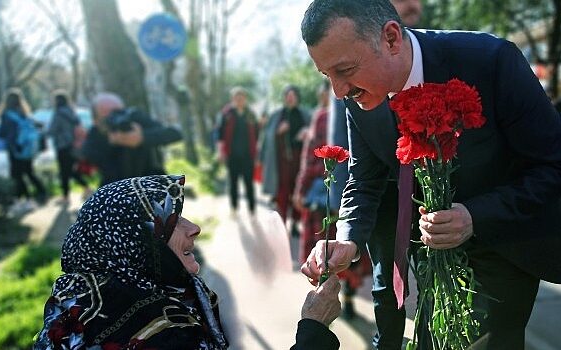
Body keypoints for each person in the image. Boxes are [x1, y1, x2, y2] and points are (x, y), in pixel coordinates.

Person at [300, 1, 561, 348]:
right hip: (430, 264)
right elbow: (364, 177)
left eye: (344, 70)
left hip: (503, 249)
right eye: (327, 76)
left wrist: (474, 216)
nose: (338, 91)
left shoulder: (491, 61)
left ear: (390, 38)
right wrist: (348, 238)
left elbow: (559, 164)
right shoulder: (356, 95)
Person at [32, 175, 341, 349]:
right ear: (135, 248)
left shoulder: (73, 304)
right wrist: (314, 329)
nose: (194, 228)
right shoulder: (162, 335)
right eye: (171, 223)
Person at [326, 0, 422, 346]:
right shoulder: (352, 75)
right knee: (386, 278)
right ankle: (388, 340)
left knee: (429, 276)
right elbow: (349, 144)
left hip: (428, 198)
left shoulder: (427, 60)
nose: (413, 6)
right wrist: (345, 222)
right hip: (381, 194)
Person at [294, 80, 371, 320]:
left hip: (347, 193)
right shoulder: (329, 117)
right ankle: (340, 298)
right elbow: (310, 155)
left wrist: (301, 188)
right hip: (336, 194)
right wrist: (302, 187)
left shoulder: (347, 114)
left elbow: (309, 158)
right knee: (343, 248)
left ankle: (332, 299)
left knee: (335, 249)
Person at [81, 92, 182, 186]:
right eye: (108, 114)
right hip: (115, 186)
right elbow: (88, 154)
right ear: (95, 120)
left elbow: (174, 134)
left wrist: (142, 138)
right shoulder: (96, 133)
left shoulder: (135, 119)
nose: (115, 117)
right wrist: (110, 142)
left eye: (118, 112)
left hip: (150, 180)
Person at [260, 86, 310, 229]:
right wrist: (278, 131)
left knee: (298, 189)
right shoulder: (277, 115)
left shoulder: (305, 115)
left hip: (300, 159)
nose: (290, 98)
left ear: (297, 98)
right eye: (288, 95)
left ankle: (295, 222)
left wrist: (306, 133)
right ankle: (282, 223)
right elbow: (267, 136)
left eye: (293, 95)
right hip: (281, 160)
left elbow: (314, 133)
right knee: (282, 190)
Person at [0, 87, 47, 205]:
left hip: (15, 149)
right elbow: (39, 126)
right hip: (27, 149)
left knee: (16, 175)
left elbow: (3, 132)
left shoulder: (6, 115)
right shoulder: (24, 114)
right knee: (29, 172)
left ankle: (24, 198)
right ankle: (41, 192)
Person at [217, 87, 259, 215]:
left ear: (245, 99)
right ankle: (234, 208)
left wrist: (257, 154)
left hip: (248, 155)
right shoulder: (226, 114)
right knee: (233, 183)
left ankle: (252, 209)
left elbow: (257, 134)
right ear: (232, 99)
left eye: (241, 97)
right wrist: (220, 152)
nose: (239, 100)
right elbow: (219, 134)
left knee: (249, 183)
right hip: (232, 155)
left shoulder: (250, 114)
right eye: (236, 97)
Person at [47, 90, 91, 203]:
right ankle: (86, 188)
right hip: (74, 145)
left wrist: (44, 132)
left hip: (63, 145)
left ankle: (66, 196)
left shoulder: (58, 114)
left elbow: (52, 130)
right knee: (70, 170)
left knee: (65, 171)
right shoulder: (72, 112)